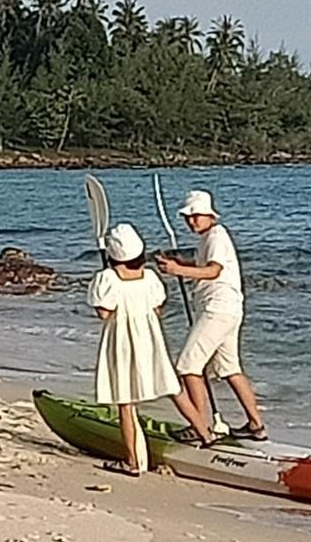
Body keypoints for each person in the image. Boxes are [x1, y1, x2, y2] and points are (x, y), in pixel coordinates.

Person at [88, 222, 219, 477]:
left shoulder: (106, 279)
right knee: (173, 388)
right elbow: (158, 308)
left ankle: (135, 462)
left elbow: (104, 313)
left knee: (126, 401)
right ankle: (206, 434)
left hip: (122, 342)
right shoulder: (150, 277)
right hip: (151, 339)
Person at [157, 189, 266, 441]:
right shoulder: (208, 238)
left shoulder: (216, 236)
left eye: (196, 216)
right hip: (227, 309)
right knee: (229, 368)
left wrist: (178, 270)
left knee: (187, 366)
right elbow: (204, 266)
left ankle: (200, 427)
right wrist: (179, 265)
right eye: (188, 217)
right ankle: (256, 425)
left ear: (210, 215)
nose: (191, 221)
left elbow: (214, 271)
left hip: (217, 308)